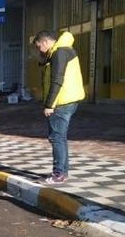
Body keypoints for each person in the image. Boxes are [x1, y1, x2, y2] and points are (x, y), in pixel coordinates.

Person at [32, 30, 86, 185]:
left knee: (56, 137)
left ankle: (59, 174)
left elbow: (57, 80)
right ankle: (63, 172)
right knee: (60, 137)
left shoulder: (59, 53)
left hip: (61, 102)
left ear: (45, 42)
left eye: (38, 46)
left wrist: (49, 105)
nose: (39, 50)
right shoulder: (62, 50)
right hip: (68, 100)